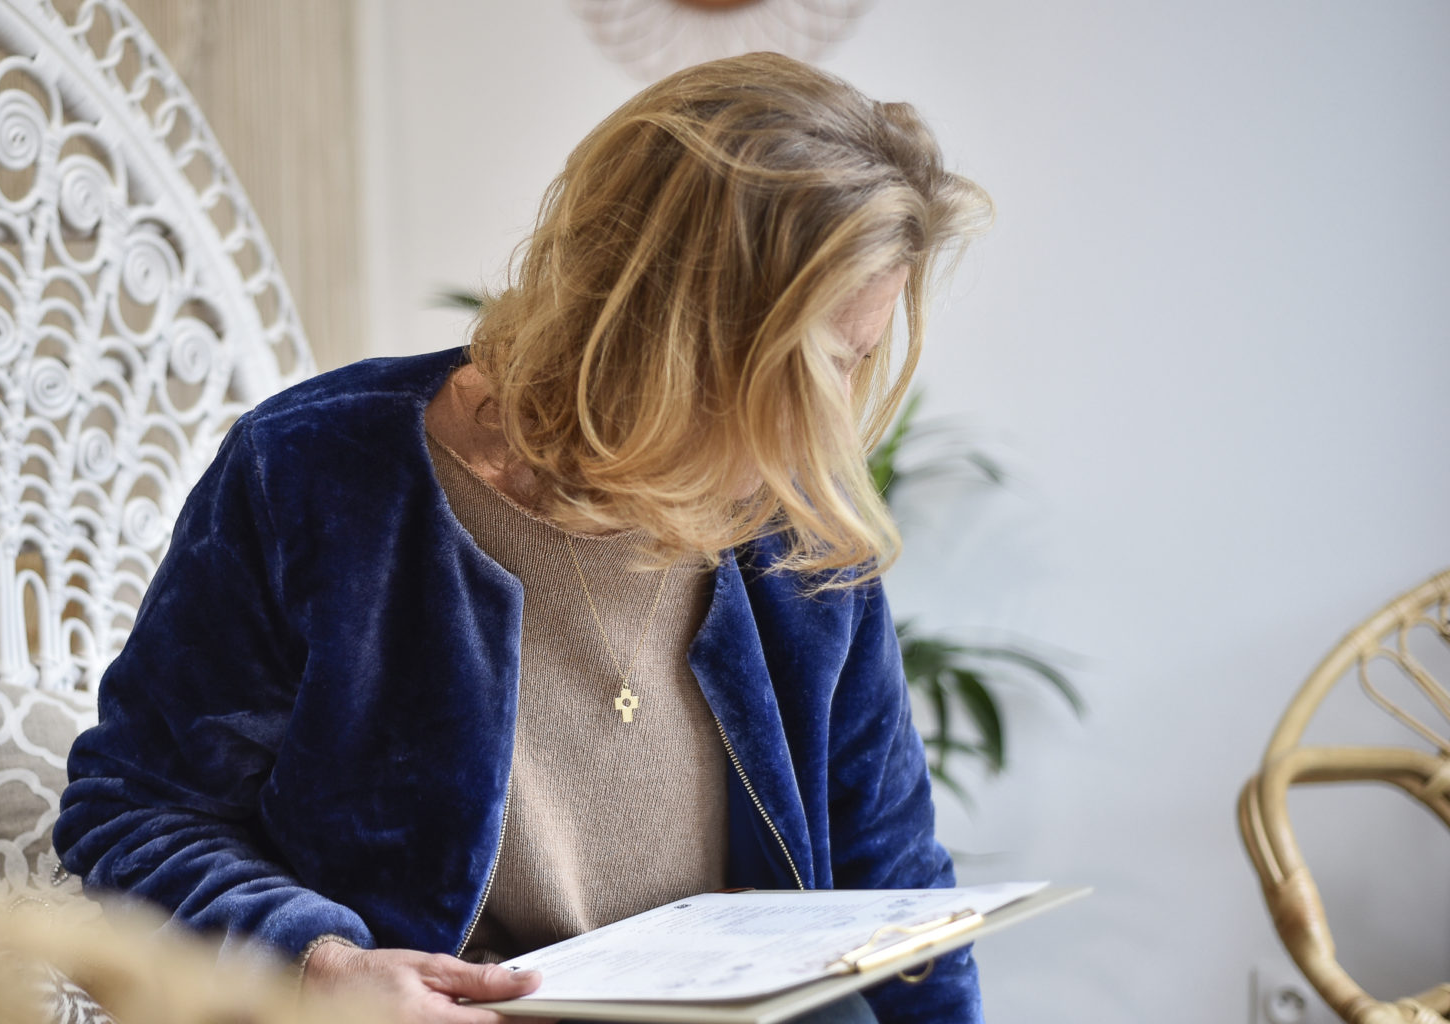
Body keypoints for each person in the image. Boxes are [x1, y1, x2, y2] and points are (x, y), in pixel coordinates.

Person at [56, 50, 992, 1024]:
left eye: (860, 363)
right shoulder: (314, 474)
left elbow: (898, 898)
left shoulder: (802, 543)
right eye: (814, 369)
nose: (830, 427)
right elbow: (137, 811)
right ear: (674, 334)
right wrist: (315, 964)